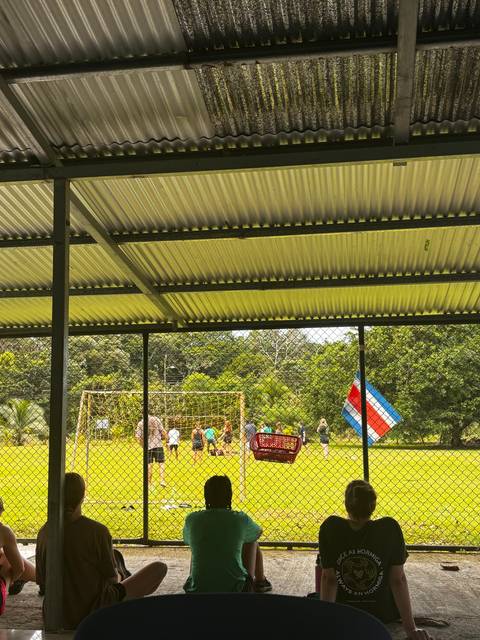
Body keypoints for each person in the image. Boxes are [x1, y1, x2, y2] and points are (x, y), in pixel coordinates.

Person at [36, 473, 167, 630]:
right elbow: (112, 579)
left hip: (55, 615)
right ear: (83, 496)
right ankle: (122, 603)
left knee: (116, 559)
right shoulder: (97, 531)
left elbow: (41, 580)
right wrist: (118, 575)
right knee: (159, 568)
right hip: (94, 612)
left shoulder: (44, 532)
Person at [319, 480, 433, 640]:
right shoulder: (389, 528)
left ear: (346, 504)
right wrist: (411, 629)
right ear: (373, 506)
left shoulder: (330, 527)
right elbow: (398, 580)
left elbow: (329, 579)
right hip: (382, 615)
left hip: (344, 612)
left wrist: (327, 625)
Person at [183, 475, 271, 594]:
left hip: (198, 591)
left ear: (206, 496)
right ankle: (260, 581)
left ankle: (198, 581)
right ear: (230, 495)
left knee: (200, 543)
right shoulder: (240, 519)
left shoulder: (192, 519)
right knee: (252, 540)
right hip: (236, 590)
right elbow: (258, 532)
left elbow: (188, 540)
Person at [0, 497, 36, 615]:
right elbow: (20, 568)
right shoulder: (3, 531)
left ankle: (40, 577)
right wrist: (12, 579)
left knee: (5, 556)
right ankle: (43, 578)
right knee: (7, 560)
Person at [135, 415, 167, 487]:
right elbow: (163, 431)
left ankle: (149, 483)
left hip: (148, 447)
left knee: (149, 464)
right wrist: (167, 439)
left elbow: (138, 437)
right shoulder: (156, 419)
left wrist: (143, 446)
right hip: (158, 444)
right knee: (161, 463)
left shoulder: (141, 423)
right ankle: (162, 480)